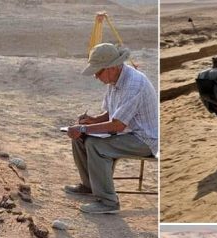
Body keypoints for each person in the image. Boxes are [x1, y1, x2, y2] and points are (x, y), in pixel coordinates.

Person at [66, 43, 158, 214]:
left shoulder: (133, 84)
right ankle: (89, 186)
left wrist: (84, 129)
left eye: (97, 71)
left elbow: (117, 124)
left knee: (95, 145)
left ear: (112, 67)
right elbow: (110, 114)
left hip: (145, 139)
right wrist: (91, 121)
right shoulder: (114, 80)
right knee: (80, 138)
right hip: (127, 133)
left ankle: (108, 201)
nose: (95, 76)